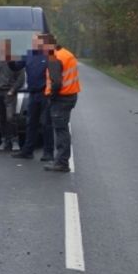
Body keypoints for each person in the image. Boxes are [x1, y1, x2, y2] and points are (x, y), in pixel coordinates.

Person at [43, 36, 81, 173]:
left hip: (61, 98)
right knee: (62, 129)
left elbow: (56, 82)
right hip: (70, 96)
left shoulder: (54, 58)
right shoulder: (66, 53)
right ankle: (61, 160)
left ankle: (61, 163)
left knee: (60, 130)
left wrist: (51, 97)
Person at [16, 33, 55, 162]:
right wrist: (8, 58)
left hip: (46, 94)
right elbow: (16, 66)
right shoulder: (28, 54)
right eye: (32, 41)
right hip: (32, 93)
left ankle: (48, 152)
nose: (33, 43)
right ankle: (28, 150)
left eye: (35, 41)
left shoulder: (50, 55)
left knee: (46, 124)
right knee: (30, 123)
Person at [0, 39, 25, 151]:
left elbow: (21, 78)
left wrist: (13, 90)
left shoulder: (15, 59)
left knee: (10, 118)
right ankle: (4, 141)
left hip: (9, 93)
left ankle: (15, 141)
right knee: (1, 118)